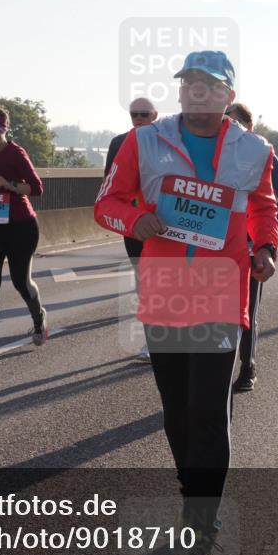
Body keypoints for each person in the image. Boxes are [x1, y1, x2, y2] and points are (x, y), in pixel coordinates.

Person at [94, 50, 278, 555]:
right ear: (180, 91)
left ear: (228, 95)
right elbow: (106, 203)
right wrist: (136, 219)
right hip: (166, 289)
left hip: (222, 290)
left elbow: (264, 206)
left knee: (208, 410)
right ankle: (189, 496)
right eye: (190, 83)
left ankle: (202, 527)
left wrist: (265, 248)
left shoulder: (254, 148)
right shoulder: (144, 141)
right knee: (176, 411)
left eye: (210, 85)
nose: (198, 91)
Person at [225, 102, 278, 393]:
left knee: (247, 310)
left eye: (235, 123)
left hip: (250, 249)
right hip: (218, 248)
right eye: (225, 122)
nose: (229, 128)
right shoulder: (215, 153)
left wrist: (258, 230)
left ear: (249, 128)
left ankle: (248, 367)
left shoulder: (260, 153)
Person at [0, 104, 48, 362]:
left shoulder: (16, 153)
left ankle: (39, 320)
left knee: (20, 282)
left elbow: (36, 188)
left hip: (20, 226)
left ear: (3, 129)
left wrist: (10, 185)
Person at [106, 98, 159, 363]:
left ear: (155, 115)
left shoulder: (166, 141)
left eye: (144, 114)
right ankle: (151, 342)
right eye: (134, 114)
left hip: (165, 226)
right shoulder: (118, 143)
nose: (138, 118)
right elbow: (109, 188)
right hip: (135, 228)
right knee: (143, 282)